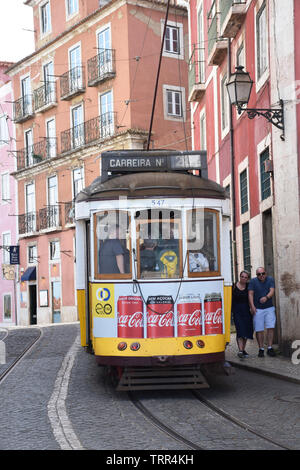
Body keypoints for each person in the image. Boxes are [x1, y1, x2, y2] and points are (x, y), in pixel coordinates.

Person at [248, 267, 276, 357]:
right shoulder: (253, 281)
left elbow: (272, 291)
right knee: (259, 329)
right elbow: (250, 294)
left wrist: (266, 297)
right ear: (256, 275)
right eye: (259, 274)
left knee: (270, 327)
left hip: (269, 308)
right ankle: (261, 349)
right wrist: (252, 306)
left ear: (265, 273)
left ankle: (270, 348)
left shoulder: (270, 279)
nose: (261, 276)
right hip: (258, 309)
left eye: (263, 273)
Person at [231, 271, 253, 358]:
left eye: (245, 277)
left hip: (247, 311)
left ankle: (243, 349)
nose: (243, 278)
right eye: (242, 276)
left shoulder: (248, 287)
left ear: (247, 279)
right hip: (237, 311)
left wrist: (252, 307)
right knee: (240, 330)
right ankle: (240, 350)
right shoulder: (233, 286)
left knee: (246, 331)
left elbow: (251, 297)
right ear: (239, 277)